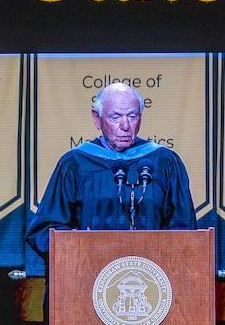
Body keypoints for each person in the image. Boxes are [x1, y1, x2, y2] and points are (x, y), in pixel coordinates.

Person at [26, 82, 196, 266]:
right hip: (87, 276)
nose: (125, 126)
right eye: (115, 117)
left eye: (132, 116)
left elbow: (185, 231)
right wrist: (80, 246)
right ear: (97, 118)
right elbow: (45, 231)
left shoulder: (164, 162)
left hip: (151, 278)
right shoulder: (75, 164)